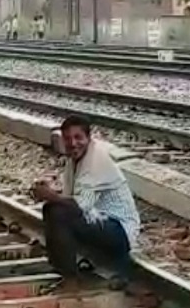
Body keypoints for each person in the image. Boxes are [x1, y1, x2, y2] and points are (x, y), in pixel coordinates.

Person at [31, 114, 140, 292]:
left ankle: (70, 279)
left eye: (78, 138)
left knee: (56, 211)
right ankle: (66, 270)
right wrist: (50, 194)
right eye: (68, 139)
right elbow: (71, 198)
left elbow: (80, 206)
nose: (73, 143)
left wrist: (50, 196)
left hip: (120, 231)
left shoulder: (96, 160)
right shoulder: (74, 160)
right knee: (53, 209)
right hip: (101, 223)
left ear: (88, 138)